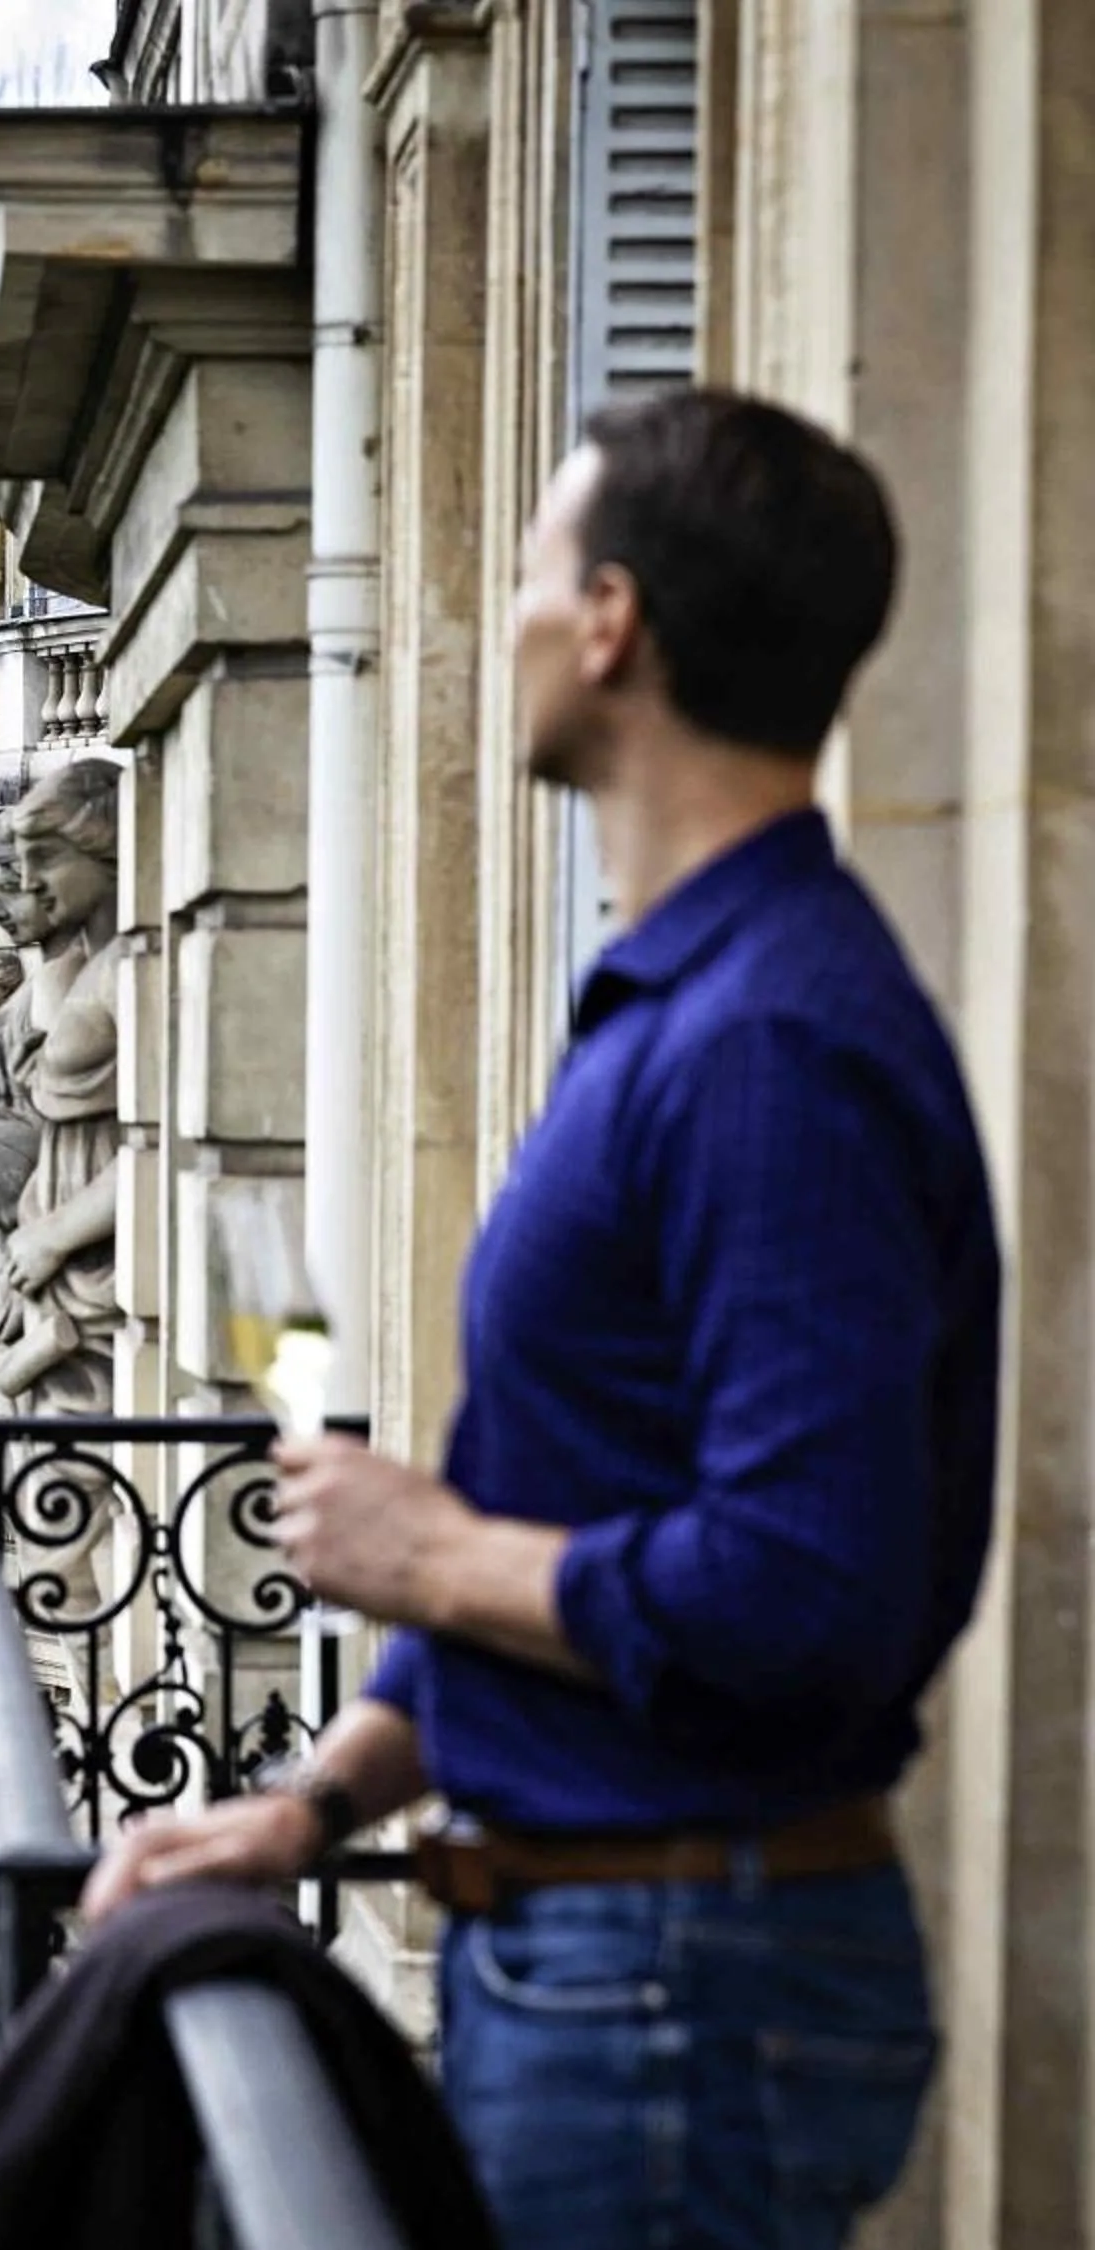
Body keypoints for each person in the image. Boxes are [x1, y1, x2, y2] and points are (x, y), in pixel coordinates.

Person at [81, 389, 997, 2250]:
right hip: (625, 1961)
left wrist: (432, 1550)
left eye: (524, 571)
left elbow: (805, 1586)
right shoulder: (696, 1006)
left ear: (612, 625)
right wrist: (313, 1801)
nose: (495, 617)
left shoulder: (767, 1044)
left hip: (672, 1989)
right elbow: (579, 1505)